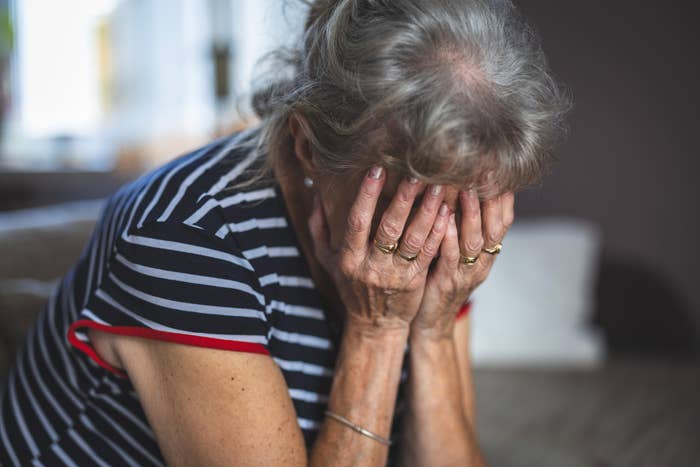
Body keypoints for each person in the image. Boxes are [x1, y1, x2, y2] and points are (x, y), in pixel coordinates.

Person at [0, 0, 570, 465]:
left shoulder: (441, 224)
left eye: (470, 200)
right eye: (411, 200)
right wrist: (376, 330)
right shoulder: (185, 236)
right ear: (308, 147)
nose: (438, 236)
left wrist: (434, 328)